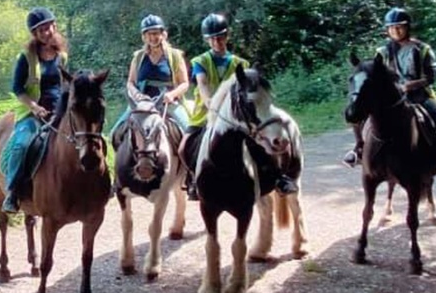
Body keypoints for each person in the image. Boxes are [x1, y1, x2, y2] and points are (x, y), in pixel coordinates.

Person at [182, 13, 298, 199]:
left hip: (238, 115)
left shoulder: (241, 64)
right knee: (184, 147)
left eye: (220, 37)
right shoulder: (200, 62)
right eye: (213, 39)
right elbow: (202, 85)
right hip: (207, 113)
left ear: (227, 36)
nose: (217, 41)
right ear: (207, 41)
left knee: (260, 142)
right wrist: (211, 104)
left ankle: (278, 177)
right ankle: (194, 179)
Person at [343, 7, 436, 177]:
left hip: (420, 95)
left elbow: (432, 76)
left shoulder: (422, 48)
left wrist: (410, 85)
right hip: (389, 98)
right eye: (392, 27)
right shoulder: (382, 52)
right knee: (358, 113)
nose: (395, 30)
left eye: (399, 26)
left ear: (407, 28)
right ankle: (359, 149)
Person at [0, 7, 68, 213]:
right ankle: (12, 192)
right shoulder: (26, 57)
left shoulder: (61, 56)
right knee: (22, 144)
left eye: (49, 27)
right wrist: (34, 107)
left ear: (54, 26)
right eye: (41, 30)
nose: (47, 32)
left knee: (88, 133)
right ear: (35, 34)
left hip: (59, 110)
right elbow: (17, 89)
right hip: (32, 112)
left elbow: (64, 83)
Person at [109, 14, 190, 136]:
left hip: (167, 103)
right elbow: (130, 82)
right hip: (142, 102)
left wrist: (172, 95)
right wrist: (136, 94)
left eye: (156, 33)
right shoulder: (138, 57)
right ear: (144, 37)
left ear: (163, 34)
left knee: (188, 132)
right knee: (115, 133)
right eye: (149, 34)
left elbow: (184, 83)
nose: (153, 37)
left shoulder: (175, 56)